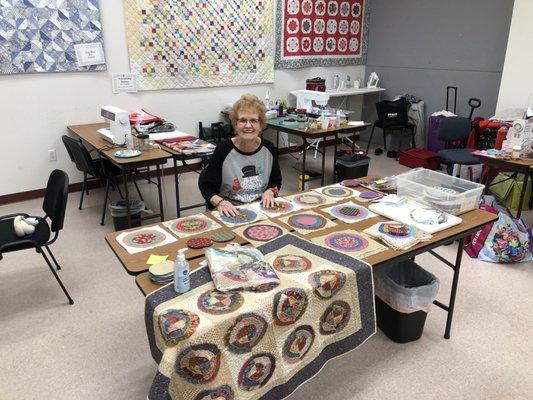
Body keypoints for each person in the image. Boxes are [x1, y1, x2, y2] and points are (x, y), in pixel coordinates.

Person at [199, 94, 282, 217]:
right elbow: (207, 187)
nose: (248, 125)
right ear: (235, 124)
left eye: (253, 120)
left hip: (261, 207)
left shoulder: (268, 148)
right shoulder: (223, 149)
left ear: (261, 125)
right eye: (243, 120)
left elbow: (275, 180)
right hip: (230, 209)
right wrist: (220, 202)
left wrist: (270, 192)